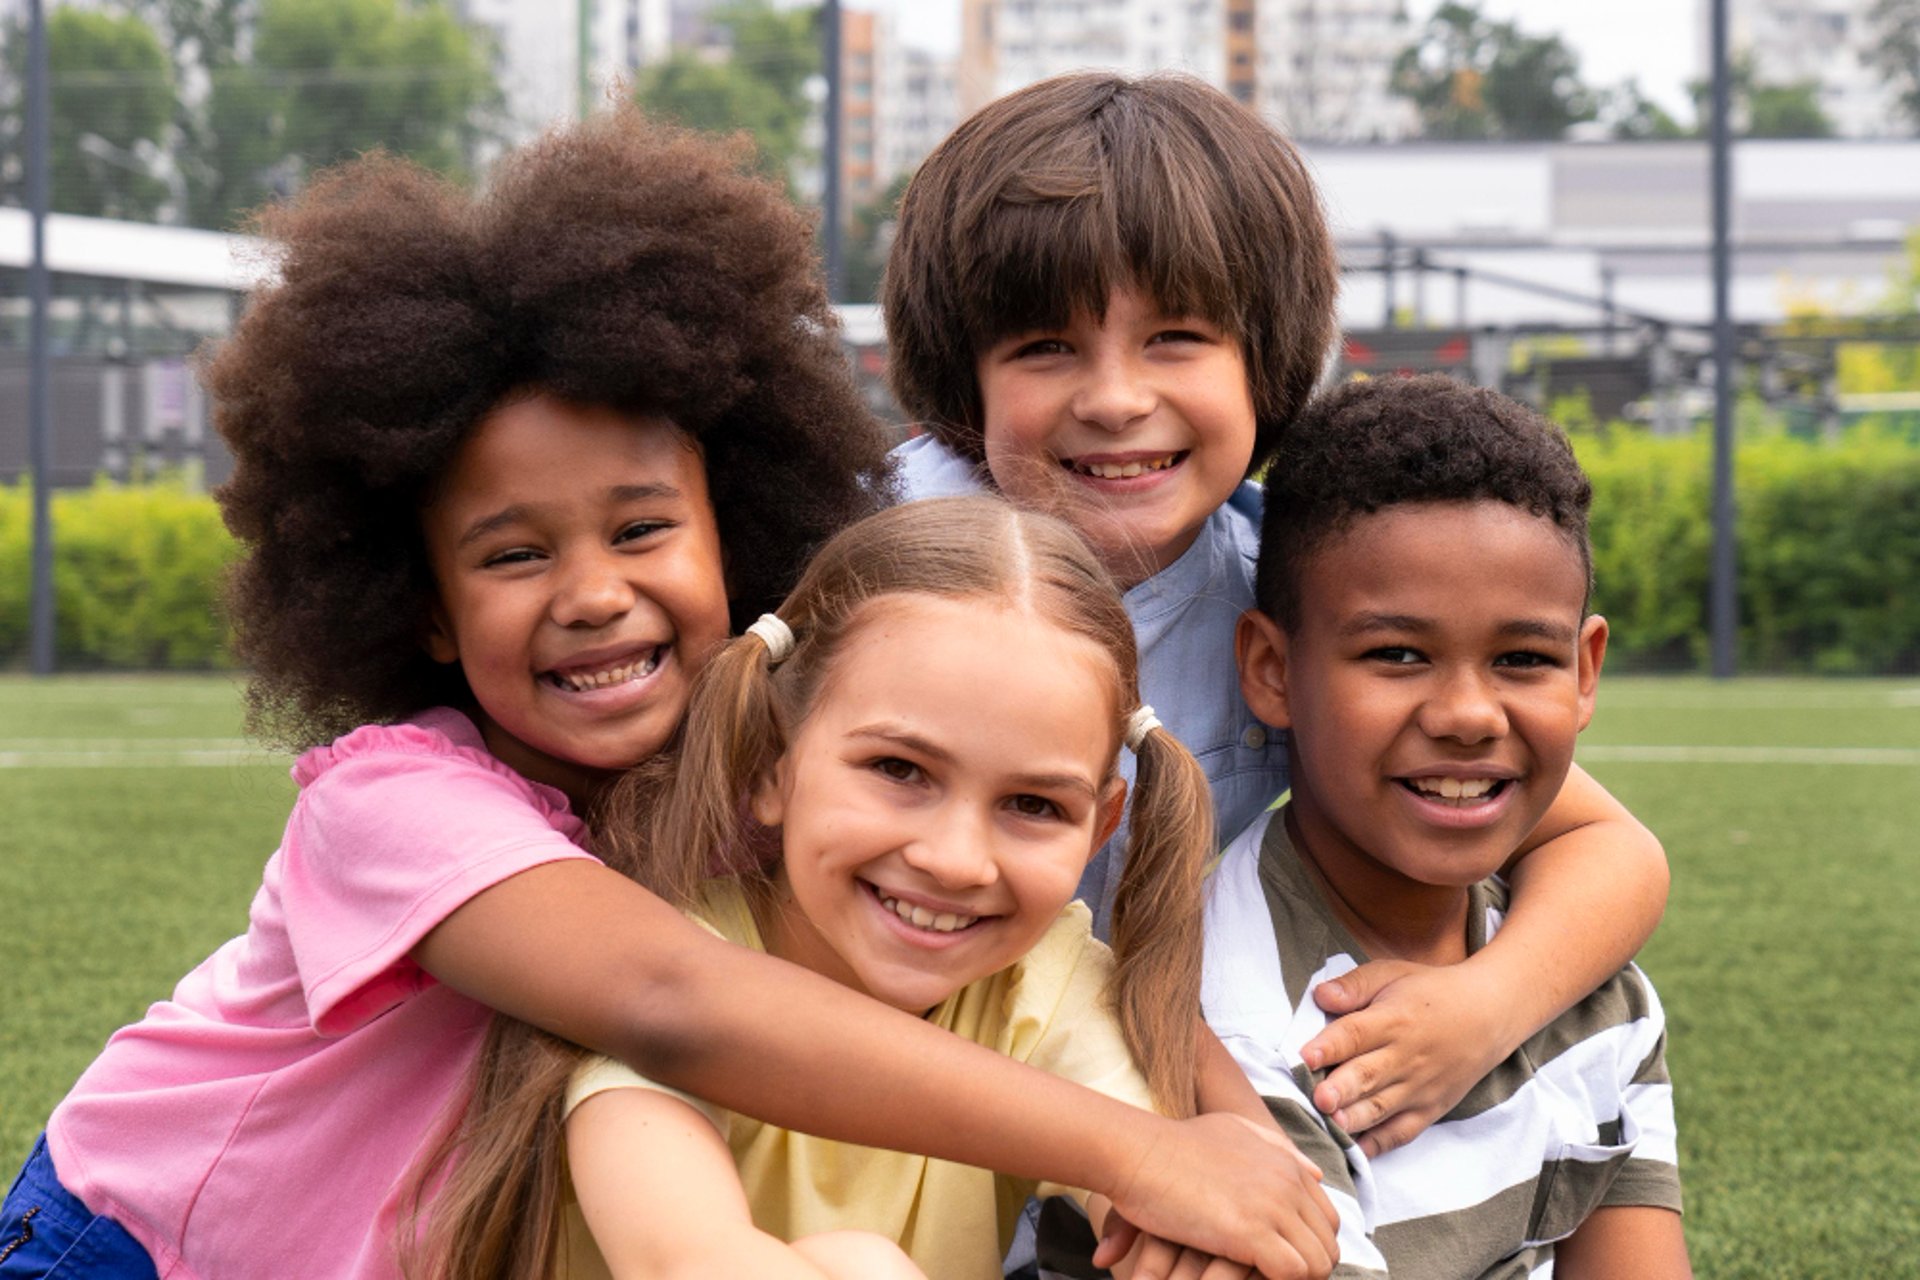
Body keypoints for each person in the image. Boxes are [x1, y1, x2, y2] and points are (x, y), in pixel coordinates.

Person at [0, 111, 1327, 1280]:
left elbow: (1081, 971)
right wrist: (1134, 1154)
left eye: (641, 531)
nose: (589, 594)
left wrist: (1220, 1133)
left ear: (738, 529)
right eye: (516, 554)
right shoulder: (395, 803)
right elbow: (672, 1002)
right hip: (142, 1246)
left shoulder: (768, 751)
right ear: (419, 606)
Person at [881, 70, 1673, 1162]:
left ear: (1268, 357)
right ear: (965, 376)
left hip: (1149, 1091)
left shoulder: (1280, 595)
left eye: (1176, 337)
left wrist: (1480, 1010)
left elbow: (1609, 847)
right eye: (1046, 346)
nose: (1114, 397)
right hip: (875, 1083)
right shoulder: (863, 560)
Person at [423, 496, 1338, 1280]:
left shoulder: (1047, 984)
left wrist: (1198, 1232)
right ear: (770, 766)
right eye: (899, 770)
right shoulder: (669, 969)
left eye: (1031, 804)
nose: (955, 859)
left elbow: (1169, 1203)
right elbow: (689, 1256)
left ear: (1100, 828)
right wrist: (1154, 1167)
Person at [1204, 374, 1689, 1277]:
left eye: (1521, 658)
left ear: (1585, 673)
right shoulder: (1240, 1029)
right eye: (1396, 654)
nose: (1469, 714)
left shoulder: (1591, 986)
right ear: (1272, 669)